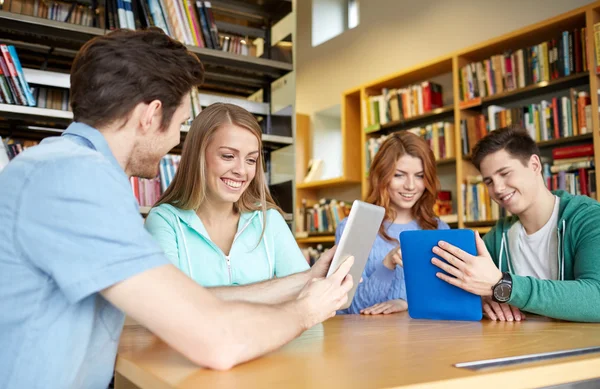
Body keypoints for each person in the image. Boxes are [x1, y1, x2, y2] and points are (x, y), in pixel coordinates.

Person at [0, 28, 354, 389]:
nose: (176, 141)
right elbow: (215, 338)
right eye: (182, 123)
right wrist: (304, 310)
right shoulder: (75, 180)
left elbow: (183, 302)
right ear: (151, 115)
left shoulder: (63, 168)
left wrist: (306, 281)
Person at [145, 103, 311, 304]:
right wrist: (280, 289)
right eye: (228, 156)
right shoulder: (164, 221)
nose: (241, 170)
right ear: (198, 156)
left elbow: (307, 292)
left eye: (251, 160)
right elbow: (169, 302)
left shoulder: (268, 219)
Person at [432, 125, 600, 323]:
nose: (498, 189)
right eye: (489, 181)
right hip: (521, 347)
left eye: (505, 173)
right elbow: (466, 289)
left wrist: (502, 286)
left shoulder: (588, 219)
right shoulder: (498, 237)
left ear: (535, 165)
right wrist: (484, 298)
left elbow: (596, 297)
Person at [335, 131, 449, 315]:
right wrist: (387, 264)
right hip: (366, 339)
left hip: (422, 337)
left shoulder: (439, 229)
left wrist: (405, 303)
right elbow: (352, 308)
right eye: (399, 175)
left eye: (420, 176)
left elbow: (446, 299)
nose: (411, 186)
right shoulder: (354, 227)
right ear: (382, 176)